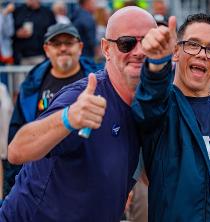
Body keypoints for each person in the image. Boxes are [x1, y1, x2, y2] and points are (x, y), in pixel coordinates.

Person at [0, 6, 156, 221]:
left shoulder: (150, 102)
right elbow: (17, 151)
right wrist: (68, 118)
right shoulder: (81, 96)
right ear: (106, 48)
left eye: (148, 42)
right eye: (126, 43)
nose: (138, 52)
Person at [133, 13, 210, 222]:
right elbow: (148, 105)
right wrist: (156, 65)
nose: (201, 54)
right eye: (192, 44)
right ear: (175, 52)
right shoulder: (164, 108)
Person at [2, 23, 99, 198]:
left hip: (89, 175)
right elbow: (17, 133)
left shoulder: (97, 80)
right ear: (47, 49)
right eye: (56, 43)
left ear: (80, 47)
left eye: (69, 43)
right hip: (44, 181)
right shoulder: (32, 85)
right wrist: (13, 187)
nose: (63, 48)